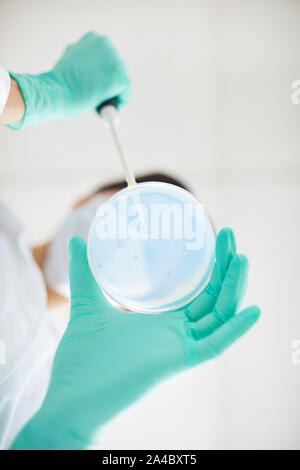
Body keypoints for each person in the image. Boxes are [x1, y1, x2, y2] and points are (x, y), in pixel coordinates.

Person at [0, 32, 260, 450]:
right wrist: (32, 95)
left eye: (154, 260)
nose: (130, 245)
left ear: (134, 302)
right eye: (132, 214)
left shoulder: (61, 384)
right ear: (86, 199)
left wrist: (61, 433)